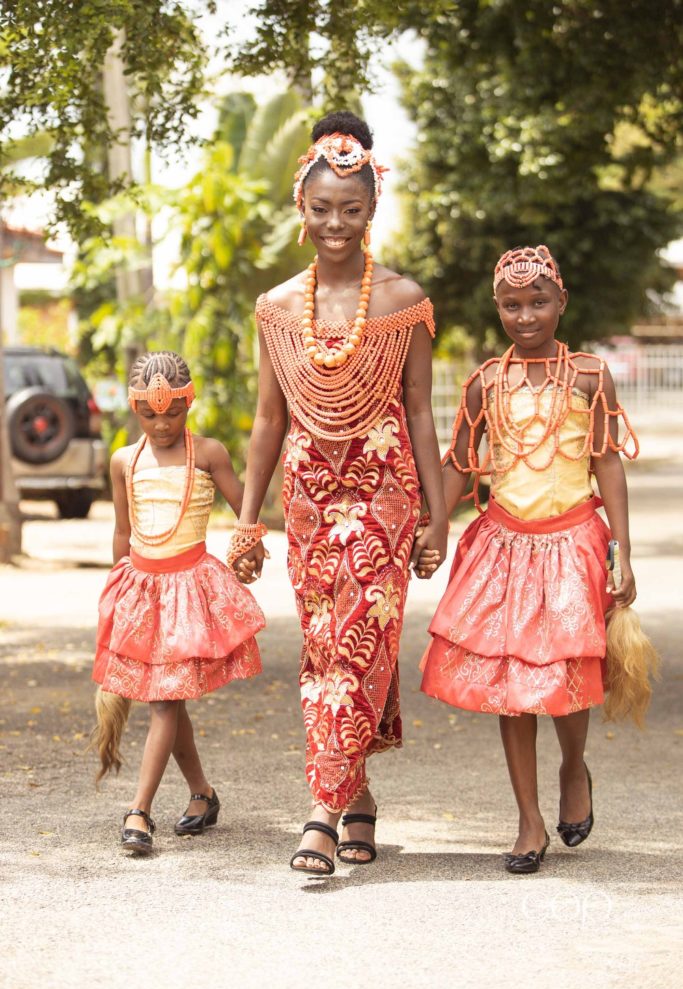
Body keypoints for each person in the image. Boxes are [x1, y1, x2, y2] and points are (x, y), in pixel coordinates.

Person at [233, 111, 448, 875]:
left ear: (371, 210)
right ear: (301, 207)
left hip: (386, 496)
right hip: (307, 499)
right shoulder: (276, 308)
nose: (334, 224)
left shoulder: (402, 302)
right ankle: (359, 802)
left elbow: (421, 410)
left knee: (363, 640)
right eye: (321, 208)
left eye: (349, 210)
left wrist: (437, 515)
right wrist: (247, 520)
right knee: (327, 648)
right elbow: (266, 418)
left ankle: (322, 810)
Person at [419, 245, 640, 874]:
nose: (526, 315)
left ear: (561, 303)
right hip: (503, 545)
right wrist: (431, 526)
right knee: (512, 688)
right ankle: (528, 819)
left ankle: (574, 767)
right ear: (497, 308)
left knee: (567, 680)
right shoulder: (486, 382)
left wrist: (620, 553)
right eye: (512, 305)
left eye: (539, 301)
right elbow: (461, 465)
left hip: (574, 544)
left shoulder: (591, 376)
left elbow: (607, 464)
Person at [92, 351, 265, 854]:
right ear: (134, 408)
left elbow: (244, 508)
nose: (162, 422)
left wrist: (249, 544)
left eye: (172, 412)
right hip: (142, 593)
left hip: (189, 593)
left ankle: (138, 810)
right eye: (149, 414)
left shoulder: (208, 453)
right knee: (168, 698)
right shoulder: (123, 460)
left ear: (189, 402)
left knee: (166, 699)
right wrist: (115, 596)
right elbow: (123, 532)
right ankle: (202, 794)